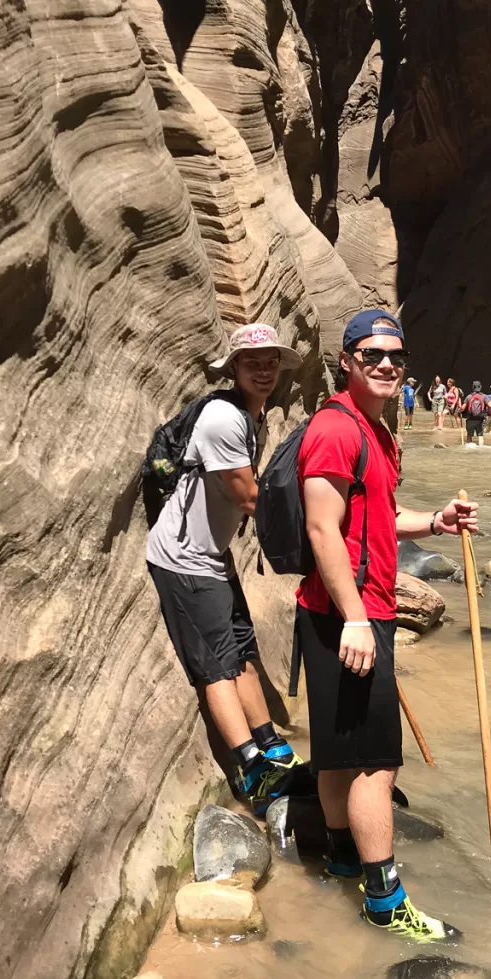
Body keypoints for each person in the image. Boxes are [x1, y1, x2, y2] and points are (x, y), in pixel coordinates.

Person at [296, 308, 478, 942]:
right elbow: (322, 528)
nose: (385, 364)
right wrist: (354, 619)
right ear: (346, 360)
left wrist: (435, 523)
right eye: (371, 354)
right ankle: (384, 899)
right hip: (349, 614)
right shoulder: (335, 429)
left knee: (340, 753)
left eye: (396, 356)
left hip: (345, 611)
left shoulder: (378, 432)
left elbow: (373, 520)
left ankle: (341, 855)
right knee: (377, 762)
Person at [146, 324, 303, 815]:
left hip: (213, 557)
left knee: (244, 652)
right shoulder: (221, 417)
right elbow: (247, 496)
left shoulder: (251, 418)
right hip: (183, 560)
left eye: (271, 361)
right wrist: (318, 533)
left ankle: (273, 748)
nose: (264, 369)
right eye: (252, 361)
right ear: (233, 367)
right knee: (216, 666)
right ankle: (253, 769)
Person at [462, 381, 488, 446]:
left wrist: (459, 410)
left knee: (469, 435)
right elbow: (490, 405)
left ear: (473, 387)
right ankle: (481, 447)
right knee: (480, 436)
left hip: (470, 419)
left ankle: (469, 447)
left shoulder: (469, 396)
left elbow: (463, 408)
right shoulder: (484, 396)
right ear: (480, 387)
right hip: (480, 419)